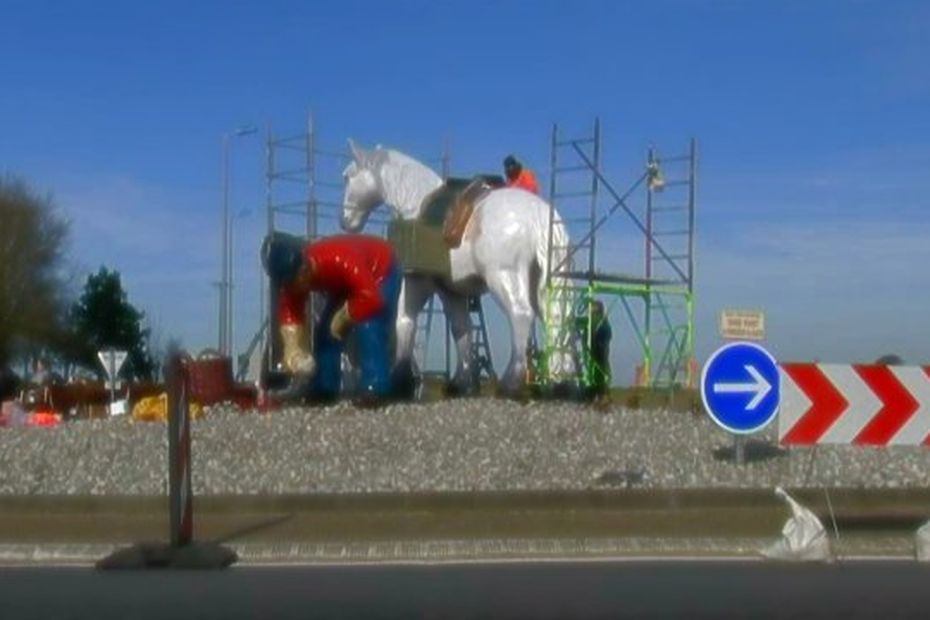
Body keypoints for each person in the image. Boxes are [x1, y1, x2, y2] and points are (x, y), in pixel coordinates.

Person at [262, 232, 402, 407]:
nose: (301, 283)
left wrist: (345, 315)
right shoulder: (292, 282)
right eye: (293, 282)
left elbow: (371, 298)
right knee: (326, 333)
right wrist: (293, 347)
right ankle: (324, 386)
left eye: (302, 274)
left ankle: (376, 386)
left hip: (380, 269)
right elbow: (290, 312)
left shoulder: (338, 259)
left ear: (304, 263)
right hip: (343, 283)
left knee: (370, 323)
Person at [579, 300, 612, 406]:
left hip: (594, 350)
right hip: (601, 350)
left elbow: (586, 331)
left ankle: (592, 396)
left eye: (591, 307)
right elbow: (608, 334)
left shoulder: (594, 320)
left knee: (593, 372)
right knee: (601, 373)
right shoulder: (604, 320)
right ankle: (601, 395)